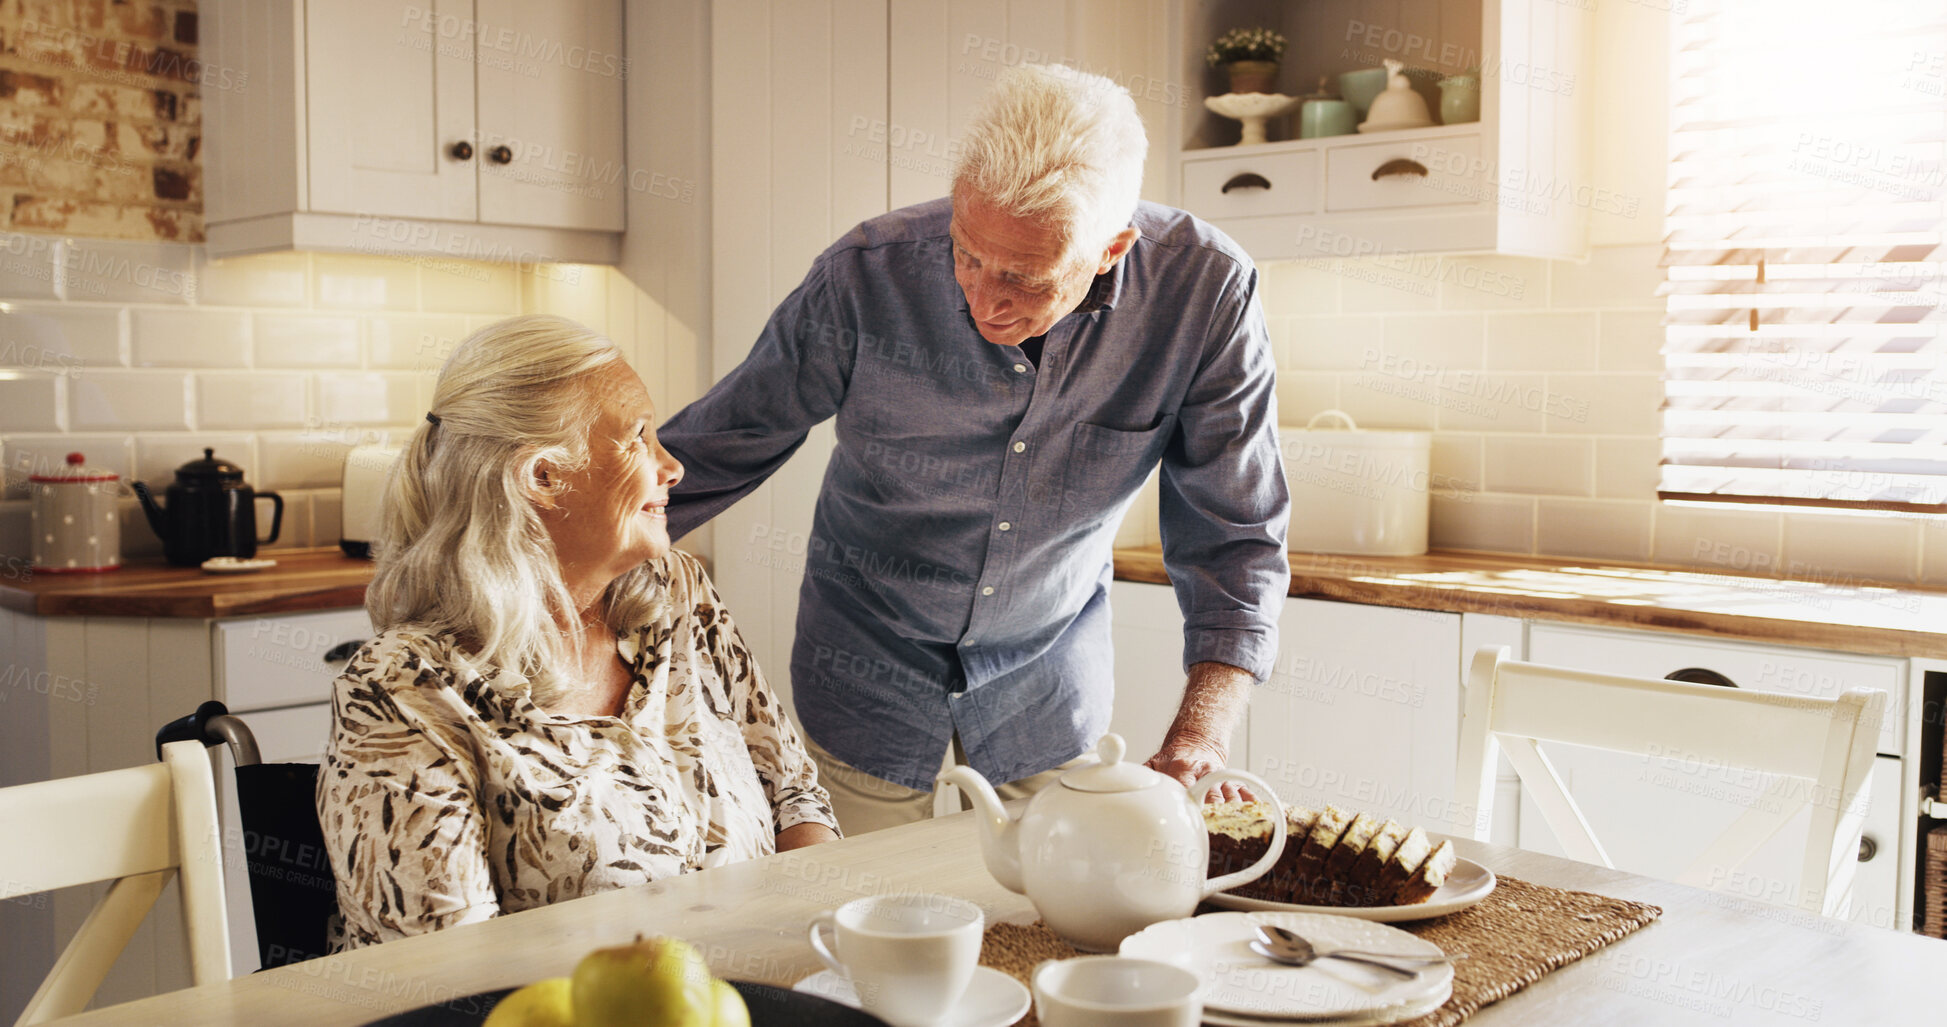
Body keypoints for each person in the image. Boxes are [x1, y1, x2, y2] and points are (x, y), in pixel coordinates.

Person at [658, 64, 1291, 834]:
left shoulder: (1205, 292)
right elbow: (723, 442)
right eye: (965, 253)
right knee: (858, 902)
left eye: (1025, 279)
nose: (983, 301)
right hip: (865, 672)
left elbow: (1234, 533)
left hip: (1045, 689)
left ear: (1111, 248)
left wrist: (1201, 734)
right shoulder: (865, 275)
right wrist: (544, 568)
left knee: (1047, 903)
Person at [316, 314, 839, 951]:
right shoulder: (403, 691)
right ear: (543, 478)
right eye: (638, 438)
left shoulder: (677, 594)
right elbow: (444, 974)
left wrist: (808, 950)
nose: (673, 467)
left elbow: (795, 797)